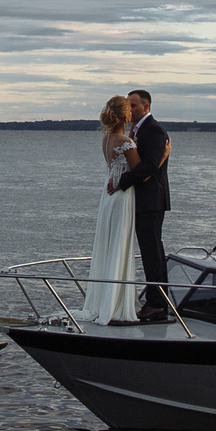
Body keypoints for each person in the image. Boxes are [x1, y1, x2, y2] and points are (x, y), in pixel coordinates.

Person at [114, 89, 171, 317]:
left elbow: (150, 165)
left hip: (152, 200)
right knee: (150, 251)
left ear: (146, 107)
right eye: (128, 105)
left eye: (134, 105)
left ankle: (157, 303)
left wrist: (122, 181)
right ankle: (156, 299)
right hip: (142, 199)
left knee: (152, 252)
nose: (130, 109)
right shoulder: (136, 130)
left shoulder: (153, 129)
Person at [85, 95, 139, 324]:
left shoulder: (107, 138)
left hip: (108, 194)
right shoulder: (126, 141)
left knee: (109, 243)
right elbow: (139, 170)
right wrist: (164, 155)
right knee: (120, 243)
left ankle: (105, 298)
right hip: (122, 195)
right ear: (126, 115)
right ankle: (117, 302)